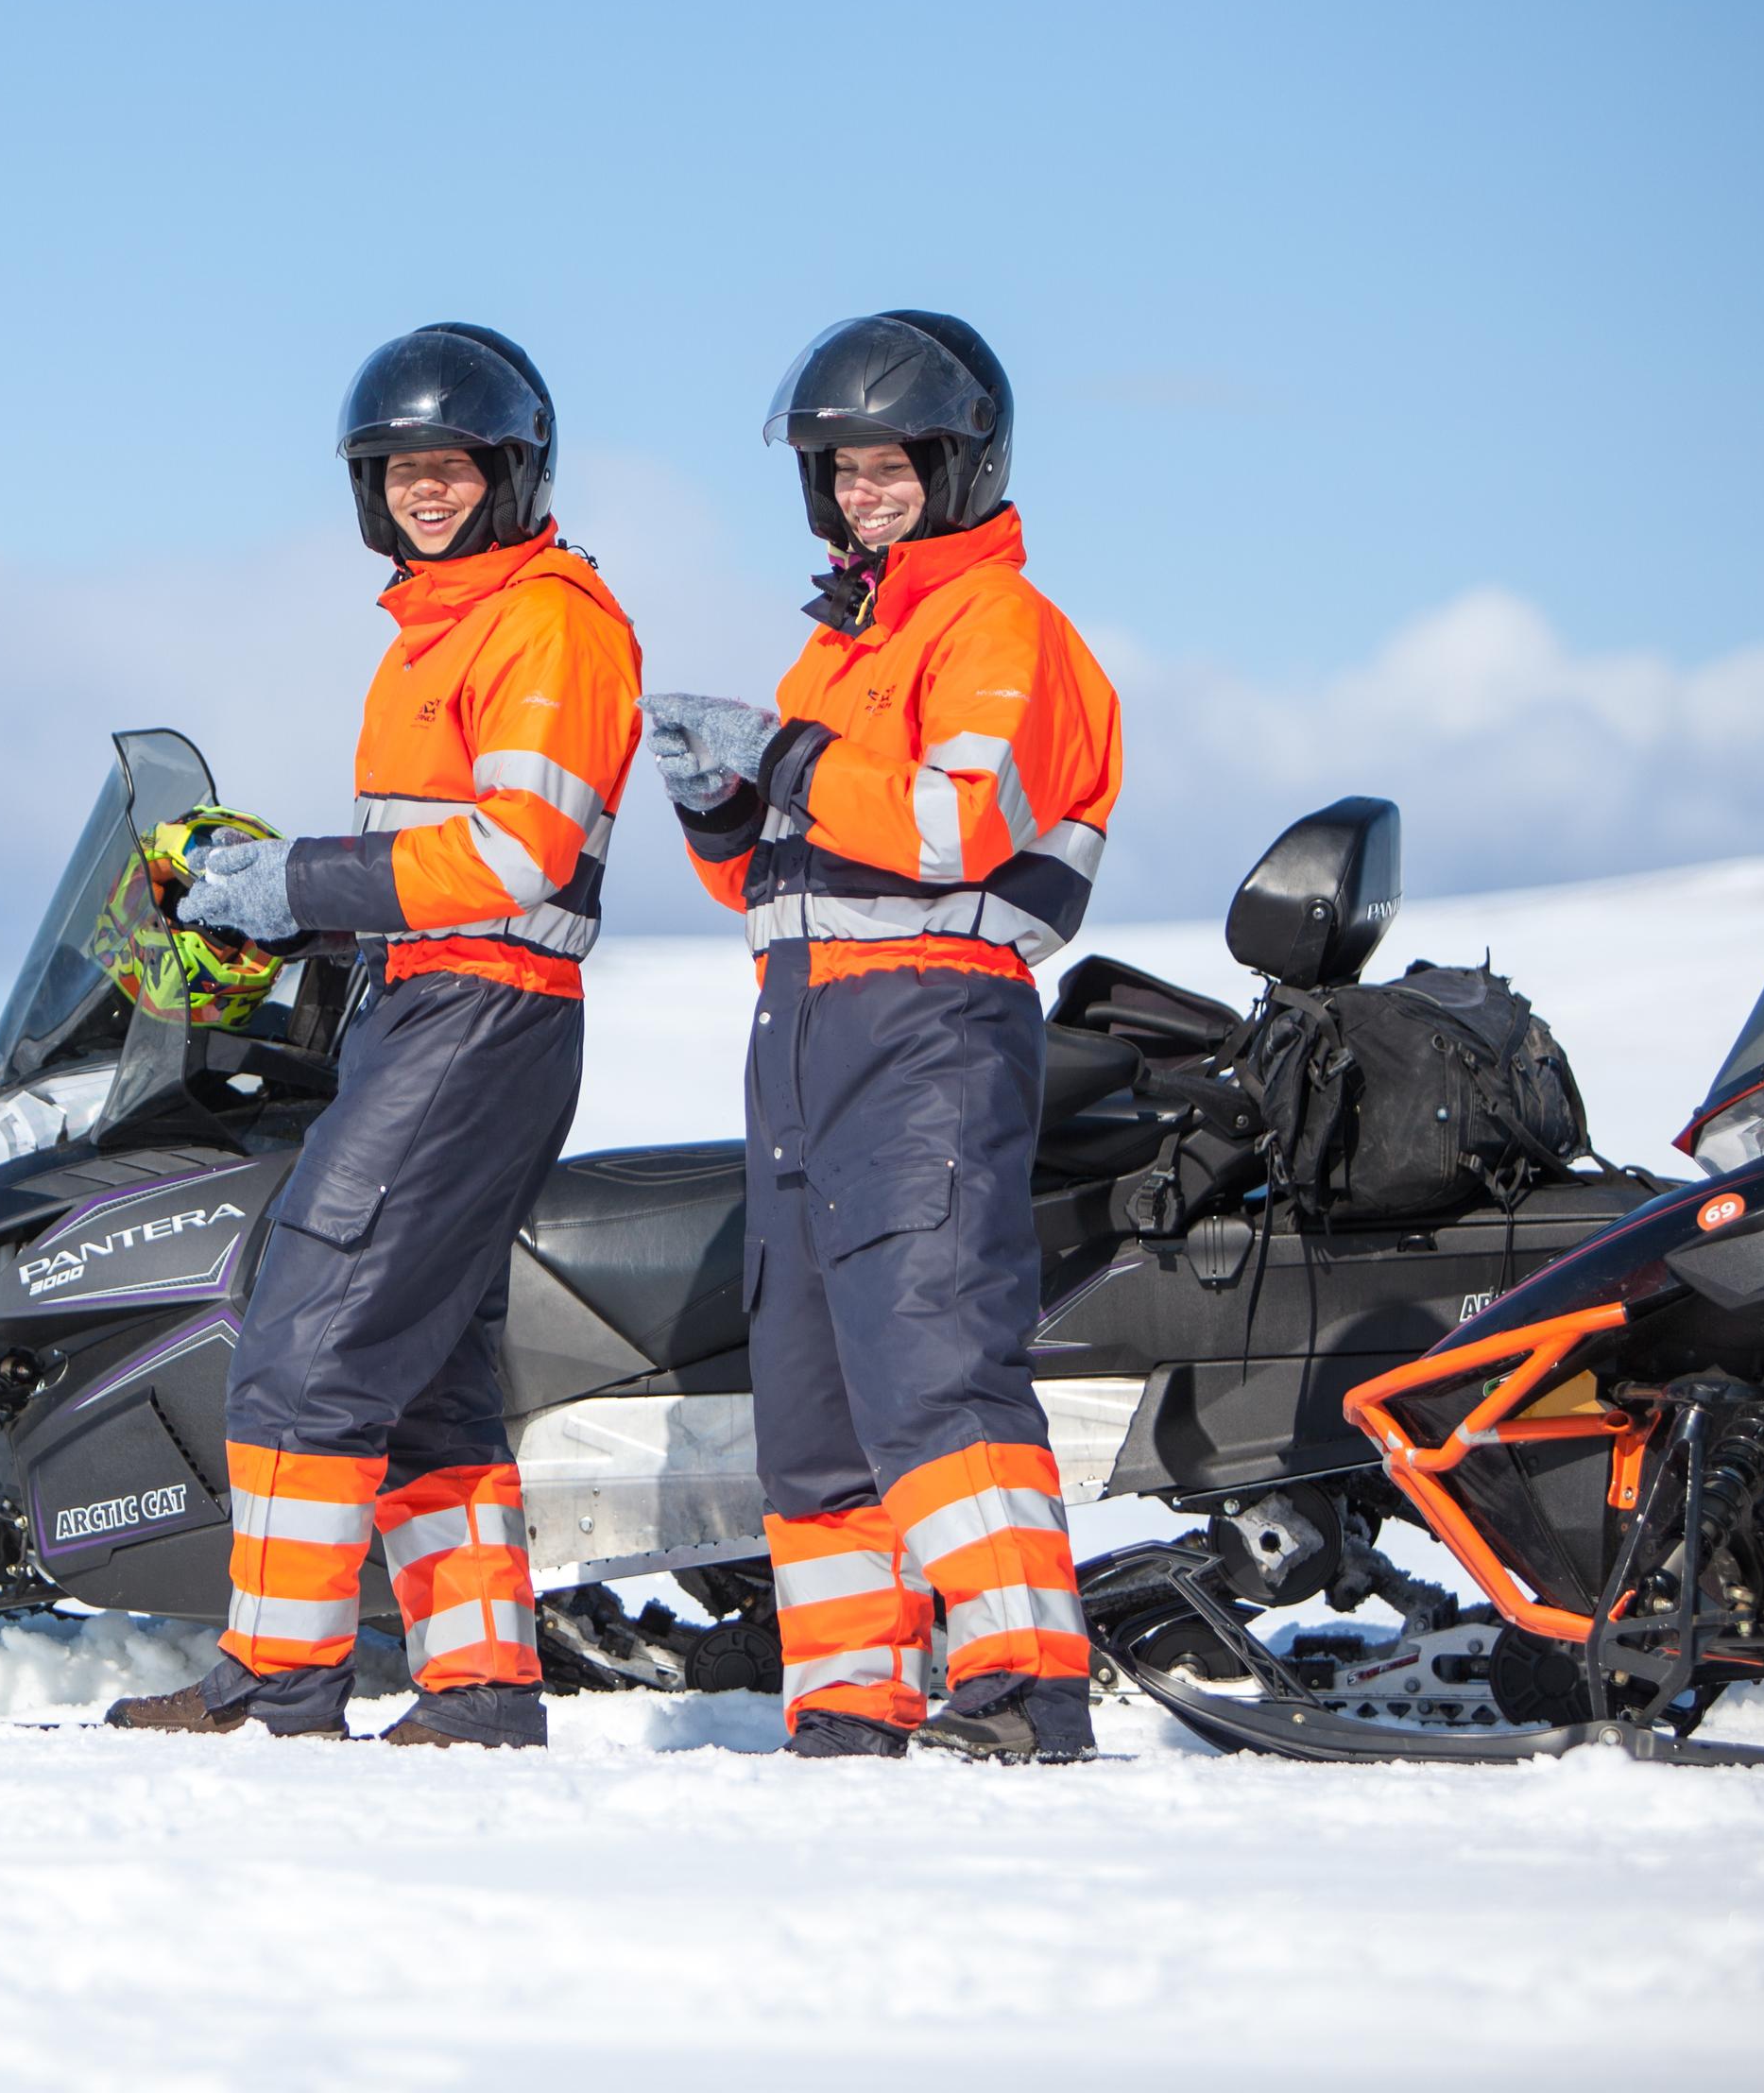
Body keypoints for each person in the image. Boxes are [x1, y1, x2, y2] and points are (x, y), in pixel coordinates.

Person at [107, 323, 642, 1748]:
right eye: (400, 469)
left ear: (511, 471)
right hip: (429, 1005)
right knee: (424, 1378)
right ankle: (479, 1692)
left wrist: (296, 882)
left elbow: (519, 849)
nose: (424, 490)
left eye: (452, 466)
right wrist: (285, 914)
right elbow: (427, 853)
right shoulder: (438, 633)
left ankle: (276, 1679)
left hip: (480, 1013)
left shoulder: (550, 622)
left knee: (307, 1343)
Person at [640, 312, 1122, 1761]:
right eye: (843, 470)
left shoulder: (1002, 632)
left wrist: (779, 758)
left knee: (930, 1359)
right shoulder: (841, 647)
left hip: (930, 1029)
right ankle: (850, 1704)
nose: (865, 492)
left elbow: (950, 823)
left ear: (961, 463)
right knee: (813, 1399)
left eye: (892, 464)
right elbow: (776, 885)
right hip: (801, 1037)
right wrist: (720, 807)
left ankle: (1027, 1682)